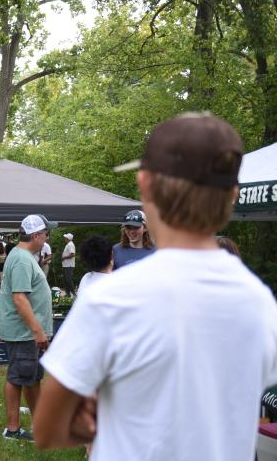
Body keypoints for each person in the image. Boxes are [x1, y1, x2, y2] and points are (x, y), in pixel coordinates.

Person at [34, 114, 277, 460]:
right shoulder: (262, 304)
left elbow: (48, 428)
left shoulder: (110, 298)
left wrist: (93, 419)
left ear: (145, 185)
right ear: (233, 195)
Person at [0, 214, 56, 441]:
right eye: (45, 233)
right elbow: (20, 298)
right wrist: (37, 330)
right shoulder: (22, 259)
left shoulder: (24, 256)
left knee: (28, 376)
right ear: (35, 235)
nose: (47, 237)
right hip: (24, 332)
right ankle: (13, 429)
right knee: (21, 376)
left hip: (25, 331)